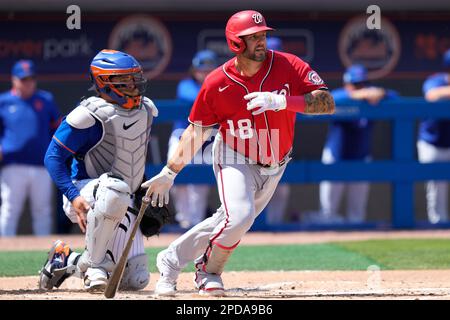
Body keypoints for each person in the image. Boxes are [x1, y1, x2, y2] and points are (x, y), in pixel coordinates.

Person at [143, 10, 335, 296]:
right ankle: (208, 271)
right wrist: (170, 172)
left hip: (276, 159)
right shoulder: (216, 82)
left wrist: (282, 101)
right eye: (253, 37)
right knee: (241, 216)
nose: (261, 41)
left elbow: (327, 102)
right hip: (235, 154)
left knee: (229, 221)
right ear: (236, 43)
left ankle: (170, 259)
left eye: (263, 35)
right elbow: (197, 131)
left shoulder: (288, 65)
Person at [38, 49, 161, 292]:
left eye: (135, 77)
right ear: (104, 82)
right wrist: (73, 197)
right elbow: (53, 158)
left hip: (125, 201)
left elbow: (131, 159)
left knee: (136, 280)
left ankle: (64, 260)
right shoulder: (88, 115)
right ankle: (94, 266)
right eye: (125, 79)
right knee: (115, 188)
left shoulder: (146, 109)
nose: (134, 84)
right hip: (87, 192)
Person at [318, 64, 399, 224]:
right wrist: (358, 94)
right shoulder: (342, 96)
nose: (360, 88)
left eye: (362, 84)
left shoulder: (372, 97)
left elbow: (396, 97)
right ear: (347, 84)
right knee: (328, 214)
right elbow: (332, 98)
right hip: (336, 156)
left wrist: (381, 93)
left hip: (361, 157)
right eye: (355, 85)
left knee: (357, 213)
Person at [0, 60, 61, 236]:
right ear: (14, 80)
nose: (28, 82)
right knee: (9, 209)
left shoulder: (45, 99)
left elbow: (57, 130)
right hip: (13, 165)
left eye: (31, 78)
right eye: (23, 79)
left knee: (42, 211)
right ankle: (3, 251)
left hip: (41, 165)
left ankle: (44, 253)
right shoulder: (3, 101)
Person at [169, 50, 218, 228]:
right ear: (194, 70)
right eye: (201, 69)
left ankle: (195, 223)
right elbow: (194, 97)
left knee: (199, 185)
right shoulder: (185, 85)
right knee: (175, 179)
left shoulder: (220, 85)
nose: (204, 73)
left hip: (206, 139)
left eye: (209, 69)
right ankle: (184, 220)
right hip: (182, 136)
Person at [418, 48, 450, 224]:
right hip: (432, 141)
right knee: (436, 186)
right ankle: (438, 224)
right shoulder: (435, 80)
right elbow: (432, 95)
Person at [264, 36, 291, 225]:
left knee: (281, 189)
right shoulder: (254, 73)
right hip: (253, 138)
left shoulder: (289, 73)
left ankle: (275, 226)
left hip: (280, 138)